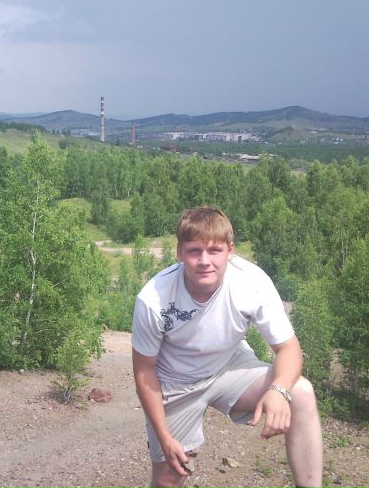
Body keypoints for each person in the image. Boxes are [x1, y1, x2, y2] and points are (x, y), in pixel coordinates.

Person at [132, 206, 323, 488]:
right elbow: (144, 372)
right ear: (179, 252)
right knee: (168, 479)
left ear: (230, 251)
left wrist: (279, 389)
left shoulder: (251, 282)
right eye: (194, 251)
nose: (204, 261)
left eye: (215, 250)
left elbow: (289, 348)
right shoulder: (153, 299)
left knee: (301, 392)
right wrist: (164, 436)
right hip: (175, 382)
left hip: (230, 366)